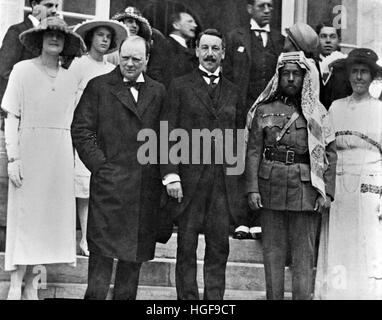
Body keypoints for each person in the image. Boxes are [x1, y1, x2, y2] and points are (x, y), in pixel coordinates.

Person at [71, 35, 165, 300]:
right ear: (118, 57)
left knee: (131, 267)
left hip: (142, 191)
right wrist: (101, 166)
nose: (130, 64)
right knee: (100, 268)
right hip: (108, 188)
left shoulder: (158, 92)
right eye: (125, 58)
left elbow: (167, 136)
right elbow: (81, 129)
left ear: (147, 60)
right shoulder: (99, 86)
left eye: (137, 59)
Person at [1, 16, 85, 300]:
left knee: (46, 220)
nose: (54, 39)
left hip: (58, 154)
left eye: (60, 36)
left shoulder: (71, 78)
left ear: (65, 43)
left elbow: (81, 124)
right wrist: (14, 158)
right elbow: (12, 117)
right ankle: (15, 282)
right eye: (49, 34)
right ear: (39, 38)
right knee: (24, 217)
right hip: (29, 149)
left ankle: (31, 284)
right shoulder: (22, 70)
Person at [245, 51, 337, 300]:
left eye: (296, 74)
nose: (291, 79)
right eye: (286, 74)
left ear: (304, 77)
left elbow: (330, 152)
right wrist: (252, 188)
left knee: (303, 258)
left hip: (305, 190)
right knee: (273, 255)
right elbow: (253, 152)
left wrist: (327, 192)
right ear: (278, 76)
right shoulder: (263, 110)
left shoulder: (318, 112)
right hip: (270, 187)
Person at [160, 29, 244, 300]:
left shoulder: (233, 91)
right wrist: (171, 175)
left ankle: (213, 302)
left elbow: (240, 138)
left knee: (219, 248)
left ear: (223, 54)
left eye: (215, 49)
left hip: (221, 184)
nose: (210, 54)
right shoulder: (180, 86)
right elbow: (166, 132)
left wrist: (238, 183)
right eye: (204, 48)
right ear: (196, 51)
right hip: (188, 181)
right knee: (186, 246)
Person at [315, 48, 382, 300]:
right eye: (355, 72)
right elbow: (326, 152)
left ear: (372, 76)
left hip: (370, 185)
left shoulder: (379, 110)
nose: (359, 77)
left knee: (366, 245)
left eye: (364, 72)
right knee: (339, 245)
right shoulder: (335, 107)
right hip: (339, 185)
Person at [224, 0, 284, 240]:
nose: (267, 10)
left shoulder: (280, 40)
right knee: (239, 162)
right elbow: (227, 75)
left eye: (270, 6)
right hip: (241, 111)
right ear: (250, 9)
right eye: (262, 6)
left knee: (264, 163)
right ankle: (240, 220)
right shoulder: (235, 37)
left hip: (268, 114)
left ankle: (259, 220)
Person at [70, 20, 128, 256]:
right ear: (91, 38)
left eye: (108, 37)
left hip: (107, 135)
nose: (104, 40)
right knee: (82, 185)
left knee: (102, 188)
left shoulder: (110, 70)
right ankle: (85, 237)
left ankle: (101, 238)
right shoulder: (78, 66)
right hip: (83, 132)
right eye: (100, 35)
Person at [0, 0, 59, 121]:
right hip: (14, 112)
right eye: (48, 5)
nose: (54, 10)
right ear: (34, 5)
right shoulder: (17, 31)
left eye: (56, 6)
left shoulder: (53, 37)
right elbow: (4, 70)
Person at [108, 6, 167, 84]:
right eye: (130, 21)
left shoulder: (142, 50)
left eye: (137, 23)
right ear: (121, 23)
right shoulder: (112, 51)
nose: (135, 26)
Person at [315, 22, 352, 109]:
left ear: (339, 40)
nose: (328, 41)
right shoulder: (311, 64)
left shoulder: (346, 65)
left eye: (332, 37)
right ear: (317, 39)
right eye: (323, 36)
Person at [162, 12, 199, 88]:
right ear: (176, 25)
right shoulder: (164, 46)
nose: (195, 25)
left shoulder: (188, 50)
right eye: (190, 21)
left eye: (194, 22)